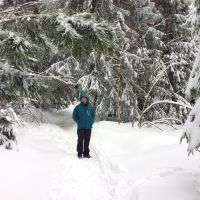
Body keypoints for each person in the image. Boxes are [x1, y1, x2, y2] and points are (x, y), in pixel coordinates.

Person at [72, 92, 95, 158]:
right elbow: (74, 116)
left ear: (87, 99)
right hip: (80, 127)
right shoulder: (78, 107)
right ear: (81, 99)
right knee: (80, 140)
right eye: (82, 98)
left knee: (87, 140)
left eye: (85, 98)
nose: (84, 99)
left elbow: (93, 115)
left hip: (88, 127)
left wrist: (91, 121)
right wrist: (78, 121)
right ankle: (79, 153)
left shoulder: (90, 107)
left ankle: (86, 153)